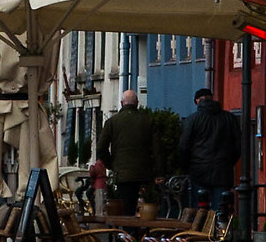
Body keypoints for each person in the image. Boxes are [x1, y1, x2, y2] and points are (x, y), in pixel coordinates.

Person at [174, 88, 241, 218]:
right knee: (220, 209)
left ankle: (200, 235)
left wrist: (186, 166)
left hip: (199, 169)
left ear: (197, 101)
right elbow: (238, 145)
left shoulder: (192, 119)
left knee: (199, 210)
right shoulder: (229, 118)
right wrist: (228, 162)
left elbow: (183, 146)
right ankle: (219, 234)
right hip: (222, 169)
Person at [96, 89, 160, 215]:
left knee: (126, 208)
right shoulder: (148, 121)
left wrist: (111, 164)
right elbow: (157, 149)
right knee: (144, 209)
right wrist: (159, 173)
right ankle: (140, 232)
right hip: (144, 172)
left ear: (121, 103)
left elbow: (100, 148)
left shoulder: (112, 122)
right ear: (137, 103)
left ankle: (127, 232)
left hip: (122, 173)